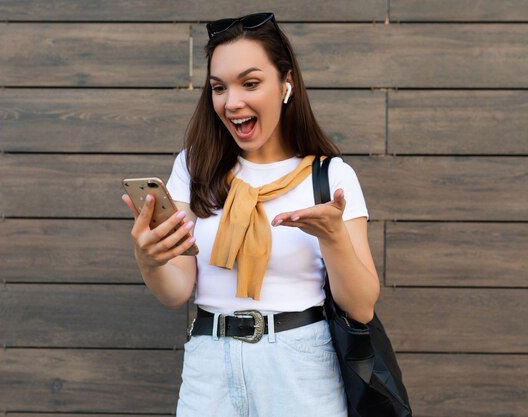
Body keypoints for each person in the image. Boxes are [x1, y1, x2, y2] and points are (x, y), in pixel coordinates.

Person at [122, 12, 380, 417]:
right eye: (219, 88)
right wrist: (148, 260)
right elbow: (176, 291)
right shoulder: (193, 168)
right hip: (210, 366)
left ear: (285, 84)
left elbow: (362, 306)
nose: (232, 101)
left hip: (299, 369)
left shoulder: (330, 176)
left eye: (251, 83)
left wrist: (332, 238)